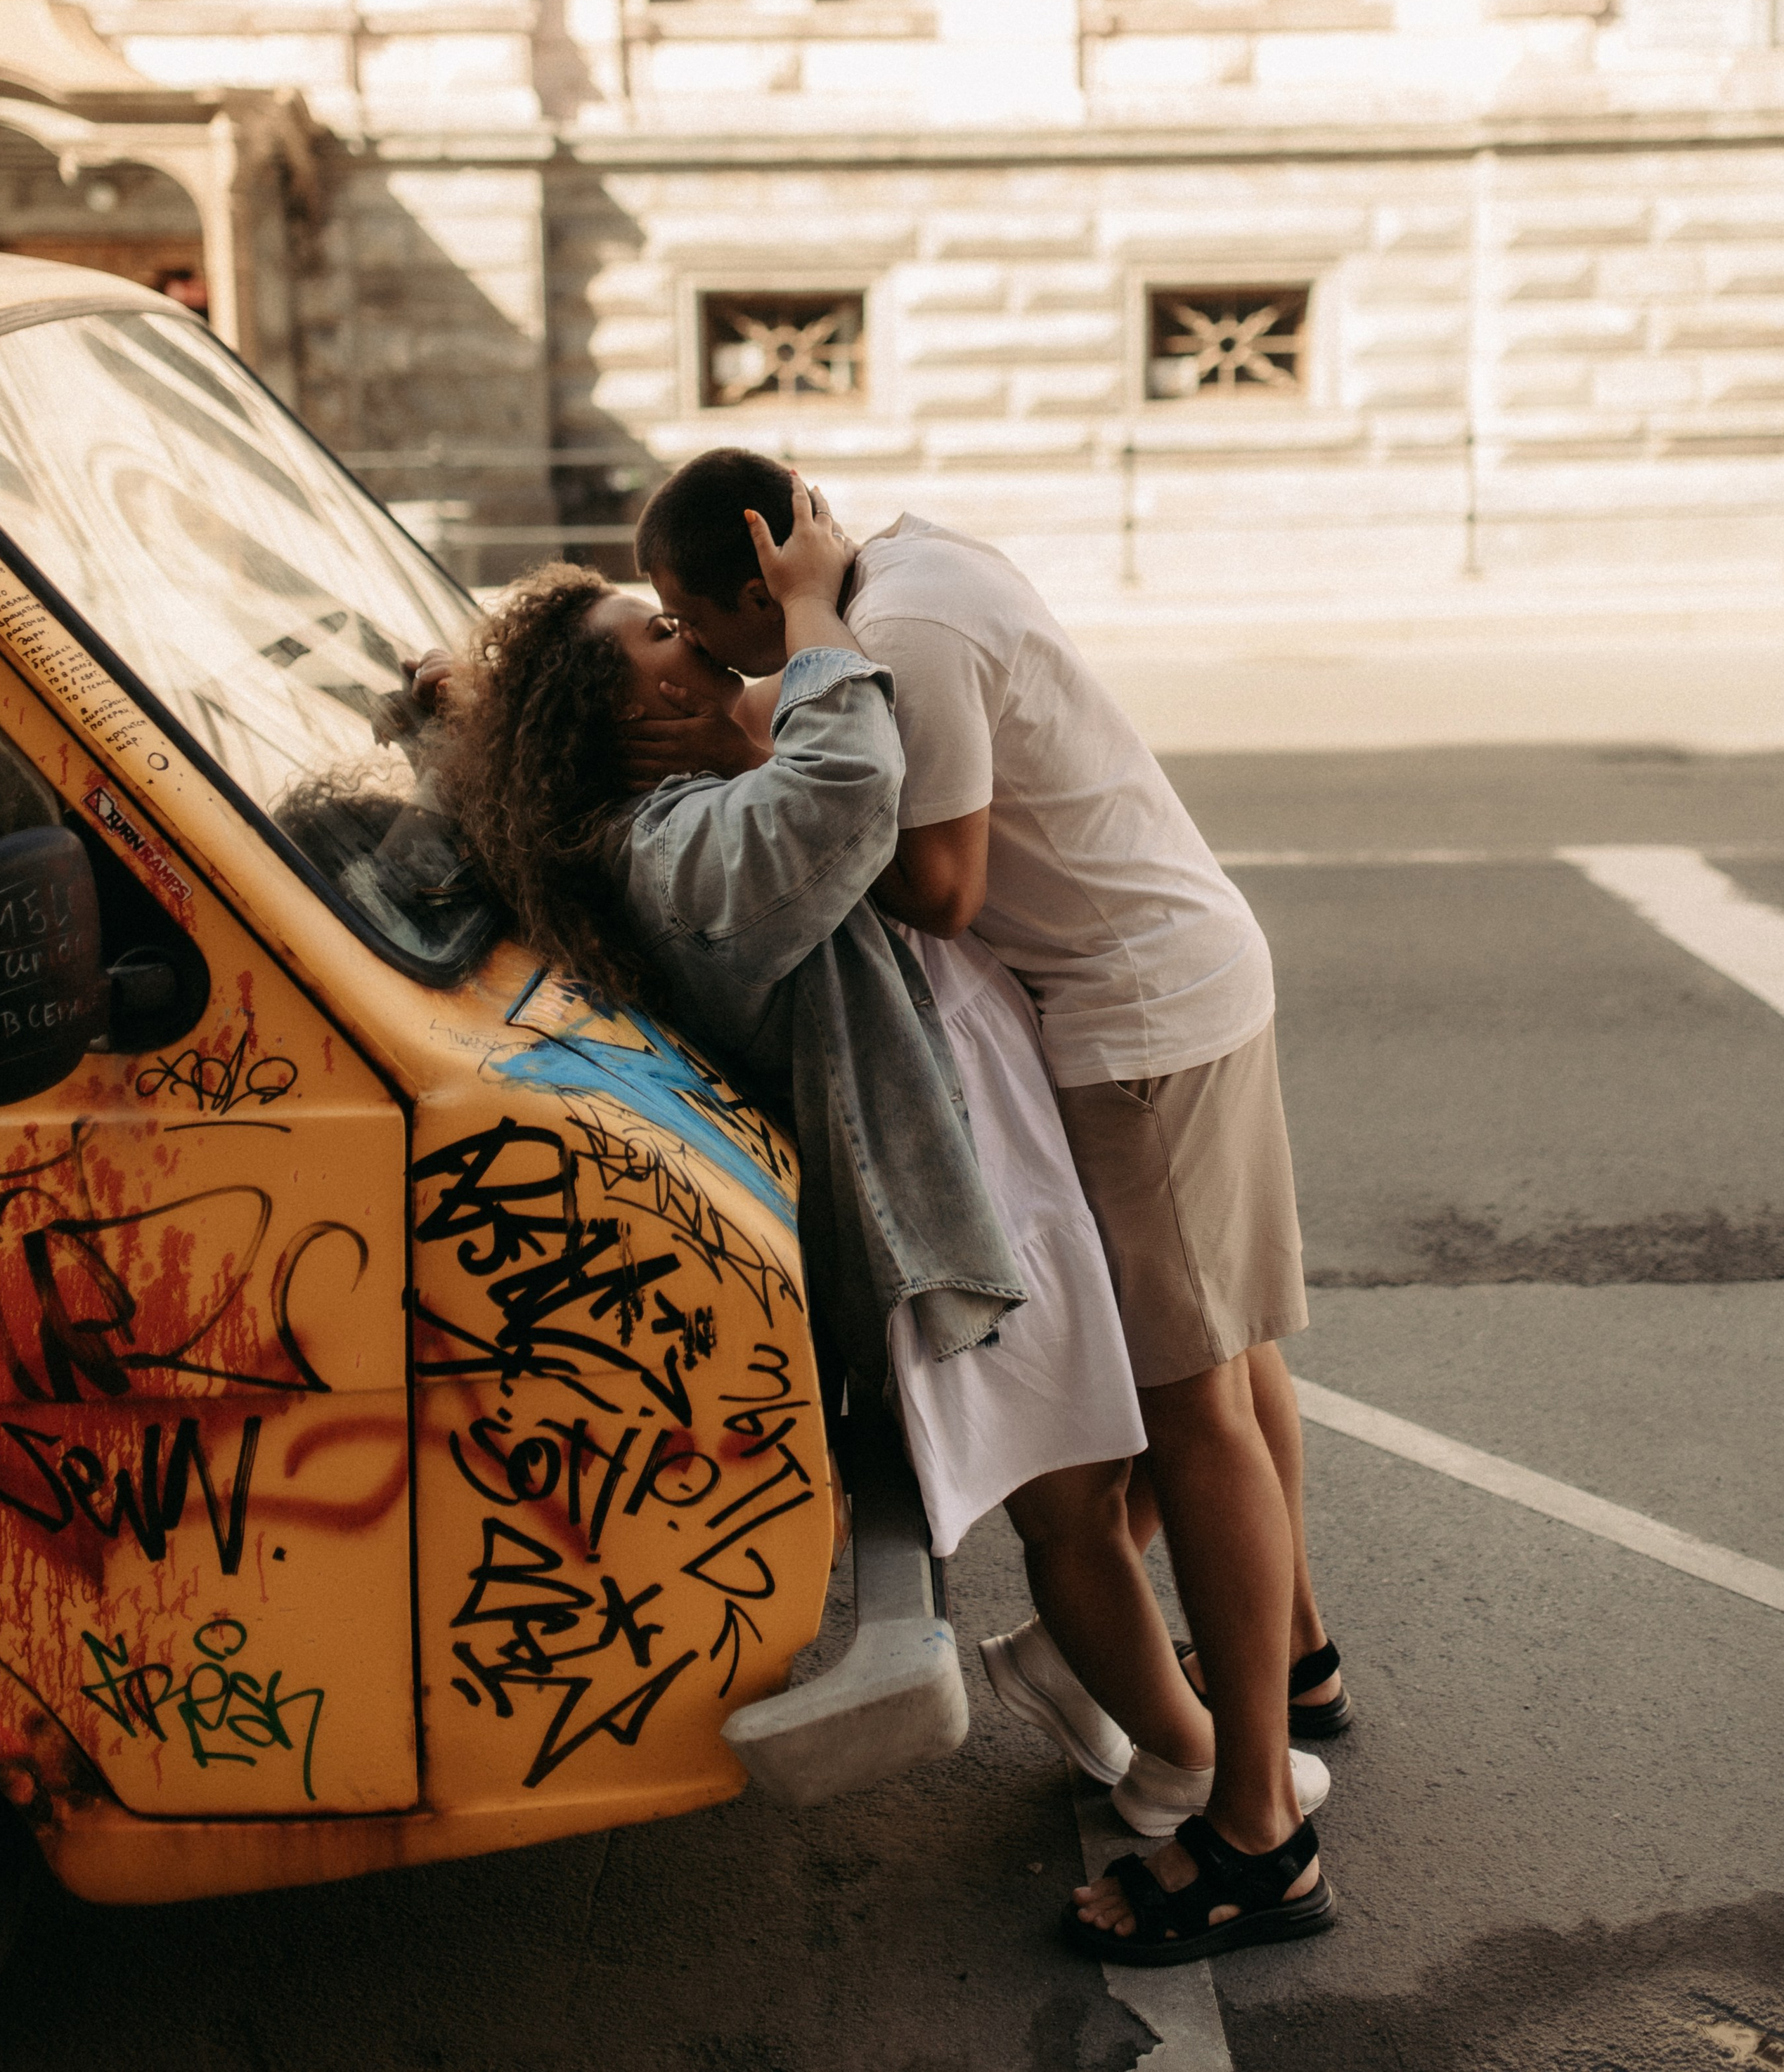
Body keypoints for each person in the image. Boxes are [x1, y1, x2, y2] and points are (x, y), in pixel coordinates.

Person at [432, 479, 1252, 1803]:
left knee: (1108, 1456)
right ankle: (1191, 1771)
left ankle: (1121, 1705)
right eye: (656, 634)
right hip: (948, 1186)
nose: (688, 635)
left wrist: (458, 691)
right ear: (624, 716)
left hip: (988, 1147)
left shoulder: (684, 801)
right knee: (1072, 1498)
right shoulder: (669, 849)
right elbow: (846, 783)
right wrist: (812, 610)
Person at [633, 450, 1345, 1967]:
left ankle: (1255, 1836)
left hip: (1135, 1024)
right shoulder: (911, 570)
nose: (703, 659)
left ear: (762, 581)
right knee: (1231, 1362)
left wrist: (791, 720)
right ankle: (1294, 1667)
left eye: (695, 624)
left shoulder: (900, 634)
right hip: (1175, 977)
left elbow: (938, 883)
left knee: (1198, 1408)